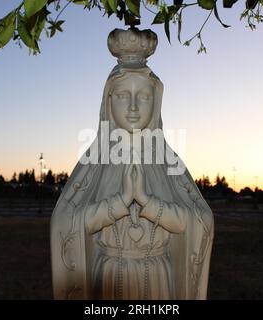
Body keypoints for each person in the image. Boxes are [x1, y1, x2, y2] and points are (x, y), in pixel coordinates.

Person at [51, 28, 214, 299]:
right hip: (110, 278)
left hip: (160, 279)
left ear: (157, 103)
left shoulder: (167, 160)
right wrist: (120, 202)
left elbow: (199, 220)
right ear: (108, 101)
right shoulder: (95, 160)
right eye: (123, 95)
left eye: (145, 97)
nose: (134, 107)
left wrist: (149, 204)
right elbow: (67, 222)